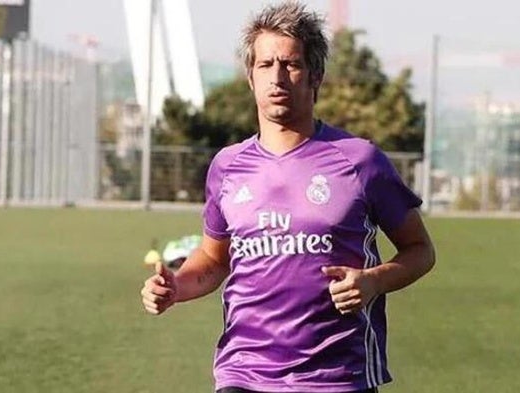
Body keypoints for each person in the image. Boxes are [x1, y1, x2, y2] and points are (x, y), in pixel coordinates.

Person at [140, 2, 435, 392]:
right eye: (265, 65)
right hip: (243, 373)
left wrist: (373, 282)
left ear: (316, 75)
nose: (277, 77)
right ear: (250, 76)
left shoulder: (360, 160)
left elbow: (420, 250)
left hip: (336, 377)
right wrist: (177, 287)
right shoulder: (228, 166)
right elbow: (214, 259)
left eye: (290, 64)